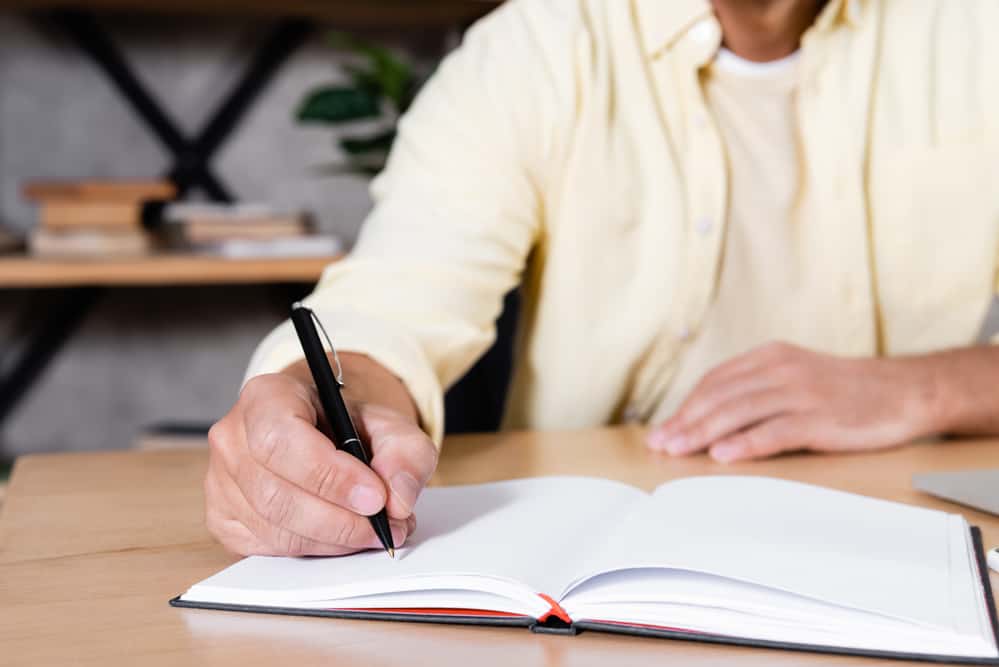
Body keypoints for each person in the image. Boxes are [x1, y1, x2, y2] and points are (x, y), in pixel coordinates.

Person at [204, 0, 999, 557]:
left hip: (906, 542)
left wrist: (919, 388)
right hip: (585, 571)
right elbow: (397, 302)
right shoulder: (536, 47)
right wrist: (321, 407)